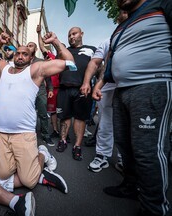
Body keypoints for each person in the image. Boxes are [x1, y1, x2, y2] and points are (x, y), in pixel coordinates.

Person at [92, 0, 172, 215]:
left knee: (148, 151)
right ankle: (130, 186)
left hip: (152, 85)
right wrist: (99, 84)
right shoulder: (120, 27)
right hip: (121, 90)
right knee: (125, 145)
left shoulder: (162, 4)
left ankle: (154, 208)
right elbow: (110, 63)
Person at [0, 31, 76, 189]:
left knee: (29, 181)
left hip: (24, 134)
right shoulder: (3, 69)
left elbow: (70, 62)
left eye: (25, 54)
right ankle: (22, 161)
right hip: (1, 134)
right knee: (2, 174)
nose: (20, 56)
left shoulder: (36, 70)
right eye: (18, 53)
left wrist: (55, 41)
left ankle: (42, 153)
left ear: (31, 58)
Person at [80, 10, 128, 173]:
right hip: (107, 87)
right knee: (106, 124)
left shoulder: (145, 34)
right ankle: (102, 156)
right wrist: (88, 82)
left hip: (133, 85)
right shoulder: (108, 41)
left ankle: (124, 159)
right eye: (122, 12)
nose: (125, 13)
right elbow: (95, 62)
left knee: (129, 126)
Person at [56, 27, 96, 161]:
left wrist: (97, 86)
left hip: (83, 89)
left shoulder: (91, 49)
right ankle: (63, 140)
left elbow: (99, 67)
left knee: (80, 117)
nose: (71, 37)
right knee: (64, 116)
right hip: (64, 88)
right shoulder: (64, 51)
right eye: (69, 35)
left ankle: (77, 146)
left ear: (81, 34)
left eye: (74, 33)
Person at [36, 24, 61, 140]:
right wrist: (39, 33)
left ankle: (63, 134)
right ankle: (55, 130)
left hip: (63, 89)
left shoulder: (67, 60)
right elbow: (42, 47)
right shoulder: (51, 57)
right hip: (52, 89)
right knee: (52, 111)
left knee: (63, 112)